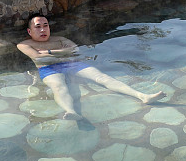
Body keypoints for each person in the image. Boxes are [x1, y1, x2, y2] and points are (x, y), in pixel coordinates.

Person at [17, 13, 165, 120]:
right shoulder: (24, 44)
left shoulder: (59, 38)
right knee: (58, 86)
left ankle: (143, 96)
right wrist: (62, 52)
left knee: (102, 77)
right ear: (30, 31)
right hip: (48, 69)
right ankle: (71, 111)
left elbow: (75, 50)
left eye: (46, 25)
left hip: (71, 64)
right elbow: (37, 57)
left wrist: (49, 51)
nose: (43, 30)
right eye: (38, 27)